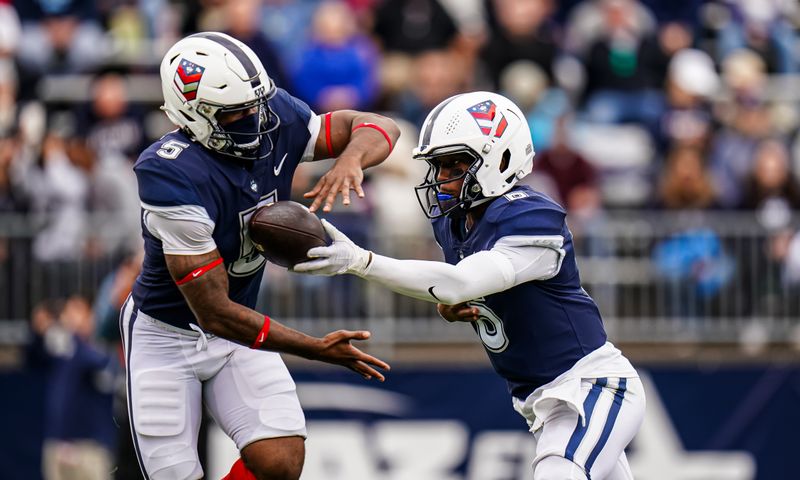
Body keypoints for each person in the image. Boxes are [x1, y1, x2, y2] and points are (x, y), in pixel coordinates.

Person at [294, 91, 645, 479]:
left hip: (589, 387)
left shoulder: (529, 215)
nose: (443, 179)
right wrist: (455, 304)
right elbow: (461, 287)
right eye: (439, 167)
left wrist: (361, 261)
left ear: (502, 158)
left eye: (455, 165)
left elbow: (458, 282)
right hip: (543, 398)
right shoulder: (456, 220)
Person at [124, 32, 397, 480]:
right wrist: (313, 348)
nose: (254, 120)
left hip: (238, 326)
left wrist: (350, 159)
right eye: (235, 113)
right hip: (168, 337)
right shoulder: (169, 172)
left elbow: (377, 125)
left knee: (280, 461)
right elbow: (214, 313)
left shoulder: (273, 114)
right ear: (192, 114)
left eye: (256, 106)